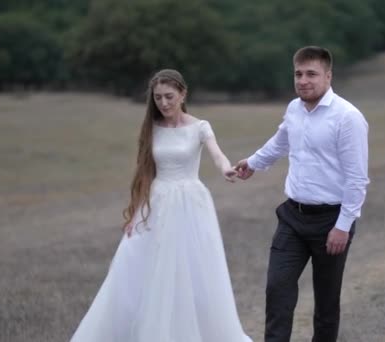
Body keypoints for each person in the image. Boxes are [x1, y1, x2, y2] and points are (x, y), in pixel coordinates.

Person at [70, 69, 252, 342]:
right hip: (156, 203)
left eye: (169, 96)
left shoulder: (200, 126)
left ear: (183, 94)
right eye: (158, 98)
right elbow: (145, 173)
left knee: (192, 272)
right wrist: (135, 212)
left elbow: (217, 153)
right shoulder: (151, 130)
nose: (164, 103)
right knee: (137, 269)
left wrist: (226, 168)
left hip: (191, 204)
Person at [234, 46, 369, 342]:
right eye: (298, 74)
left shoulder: (348, 117)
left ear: (328, 76)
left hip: (331, 222)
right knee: (277, 288)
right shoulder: (294, 108)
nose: (303, 80)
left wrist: (342, 226)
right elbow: (281, 141)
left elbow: (357, 179)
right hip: (292, 218)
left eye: (311, 74)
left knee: (326, 300)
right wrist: (253, 163)